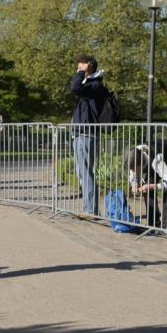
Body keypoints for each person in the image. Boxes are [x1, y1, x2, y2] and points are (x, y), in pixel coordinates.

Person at [70, 55, 108, 216]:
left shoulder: (95, 86)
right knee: (81, 172)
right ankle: (89, 208)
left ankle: (90, 210)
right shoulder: (89, 85)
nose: (78, 69)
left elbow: (74, 88)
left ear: (89, 66)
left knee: (86, 172)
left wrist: (80, 74)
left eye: (81, 66)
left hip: (87, 135)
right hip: (80, 134)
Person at [126, 138, 167, 231]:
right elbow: (133, 175)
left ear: (142, 164)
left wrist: (153, 186)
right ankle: (153, 223)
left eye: (137, 170)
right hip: (157, 157)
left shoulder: (156, 160)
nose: (135, 172)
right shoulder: (134, 154)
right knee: (146, 187)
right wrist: (134, 185)